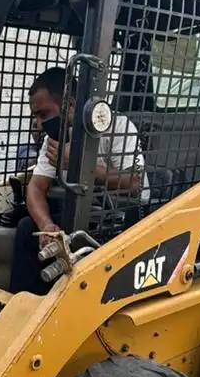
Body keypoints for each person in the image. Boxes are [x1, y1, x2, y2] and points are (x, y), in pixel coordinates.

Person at [9, 67, 146, 295]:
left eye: (43, 114)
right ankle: (25, 306)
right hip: (83, 211)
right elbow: (36, 186)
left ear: (70, 105)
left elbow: (134, 183)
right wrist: (45, 226)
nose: (39, 124)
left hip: (123, 215)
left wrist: (78, 164)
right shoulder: (56, 138)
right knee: (27, 228)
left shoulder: (118, 127)